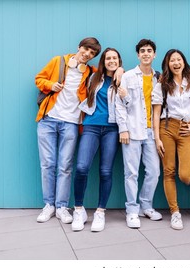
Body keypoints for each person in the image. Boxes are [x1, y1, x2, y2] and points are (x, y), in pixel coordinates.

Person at [35, 37, 101, 224]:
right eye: (86, 49)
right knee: (47, 163)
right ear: (79, 47)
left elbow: (107, 74)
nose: (87, 54)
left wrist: (119, 70)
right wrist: (50, 85)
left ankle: (62, 207)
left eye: (92, 53)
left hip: (71, 123)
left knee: (65, 166)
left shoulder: (90, 72)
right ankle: (49, 205)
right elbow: (39, 78)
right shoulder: (58, 61)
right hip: (48, 119)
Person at [71, 48, 123, 232]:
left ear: (119, 61)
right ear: (103, 61)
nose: (111, 61)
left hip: (112, 129)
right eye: (108, 58)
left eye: (114, 58)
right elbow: (77, 63)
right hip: (91, 125)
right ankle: (79, 209)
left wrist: (121, 72)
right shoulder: (93, 76)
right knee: (82, 167)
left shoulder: (124, 79)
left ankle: (100, 212)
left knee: (106, 171)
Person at [116, 39, 162, 229]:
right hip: (132, 132)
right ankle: (132, 211)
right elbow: (119, 104)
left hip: (151, 132)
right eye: (142, 51)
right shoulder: (127, 76)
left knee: (154, 172)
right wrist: (123, 129)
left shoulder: (158, 77)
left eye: (149, 50)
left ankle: (146, 205)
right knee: (131, 173)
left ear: (154, 54)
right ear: (137, 55)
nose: (145, 53)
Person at [152, 49, 190, 230]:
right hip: (167, 128)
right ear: (168, 64)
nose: (176, 63)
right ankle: (175, 212)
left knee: (186, 176)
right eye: (172, 61)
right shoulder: (162, 85)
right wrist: (157, 139)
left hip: (187, 129)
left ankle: (186, 180)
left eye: (179, 59)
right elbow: (156, 114)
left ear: (184, 62)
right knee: (168, 171)